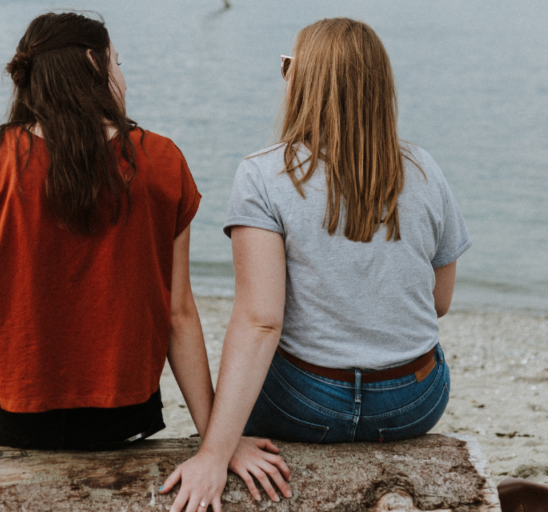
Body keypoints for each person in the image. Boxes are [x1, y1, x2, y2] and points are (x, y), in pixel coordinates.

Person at [0, 13, 286, 512]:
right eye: (118, 62)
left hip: (10, 420)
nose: (123, 76)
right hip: (122, 420)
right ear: (93, 62)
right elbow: (179, 314)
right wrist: (217, 441)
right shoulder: (161, 161)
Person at [160, 17, 472, 511]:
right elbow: (440, 301)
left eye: (288, 66)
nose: (284, 76)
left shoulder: (263, 175)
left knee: (258, 368)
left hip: (305, 404)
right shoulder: (424, 169)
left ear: (305, 84)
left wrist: (214, 452)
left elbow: (261, 321)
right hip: (413, 402)